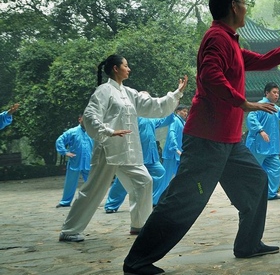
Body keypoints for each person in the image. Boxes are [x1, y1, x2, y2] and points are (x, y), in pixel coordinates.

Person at [123, 0, 280, 275]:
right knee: (185, 200)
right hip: (206, 138)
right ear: (233, 6)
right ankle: (137, 262)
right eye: (244, 3)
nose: (246, 8)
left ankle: (248, 245)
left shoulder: (231, 41)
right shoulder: (216, 38)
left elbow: (267, 60)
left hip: (228, 141)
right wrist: (244, 103)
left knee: (255, 182)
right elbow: (210, 76)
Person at [58, 54, 187, 242]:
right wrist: (108, 131)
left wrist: (176, 93)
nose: (129, 69)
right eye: (126, 66)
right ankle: (69, 230)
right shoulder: (104, 91)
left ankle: (139, 225)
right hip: (108, 149)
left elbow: (152, 105)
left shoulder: (129, 93)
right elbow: (90, 116)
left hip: (127, 150)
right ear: (116, 69)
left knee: (144, 181)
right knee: (93, 189)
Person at [104, 110, 175, 213]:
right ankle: (111, 205)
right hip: (134, 156)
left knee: (160, 172)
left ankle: (151, 201)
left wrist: (171, 107)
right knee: (122, 181)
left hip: (151, 156)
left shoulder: (151, 119)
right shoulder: (131, 118)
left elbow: (165, 120)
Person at [55, 115, 93, 208]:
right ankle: (65, 201)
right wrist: (65, 152)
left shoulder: (92, 133)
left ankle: (91, 200)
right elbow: (60, 140)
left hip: (89, 161)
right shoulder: (72, 132)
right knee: (70, 182)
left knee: (91, 182)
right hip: (75, 161)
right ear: (80, 119)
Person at [158, 105, 187, 195]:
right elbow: (172, 134)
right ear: (177, 111)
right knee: (165, 177)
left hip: (179, 154)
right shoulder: (175, 120)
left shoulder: (183, 123)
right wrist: (175, 149)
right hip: (172, 154)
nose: (186, 113)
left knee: (179, 177)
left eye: (187, 111)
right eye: (184, 111)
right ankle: (156, 199)